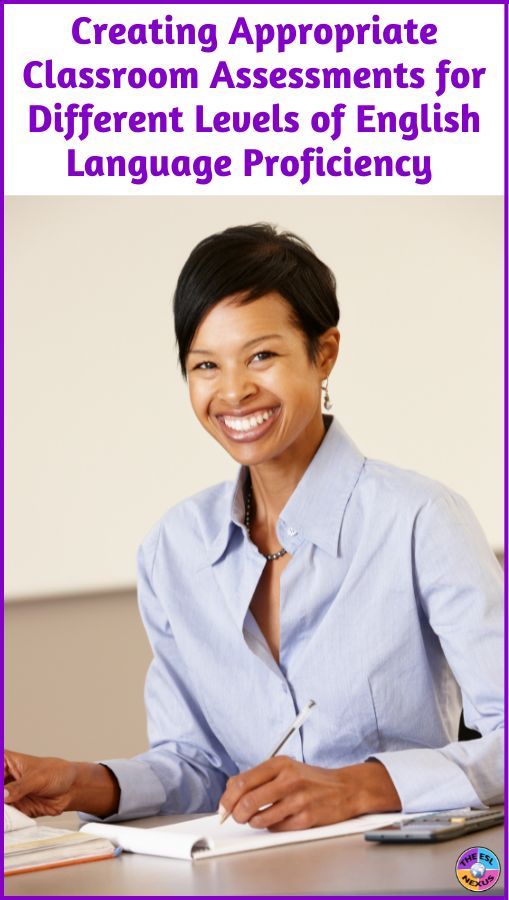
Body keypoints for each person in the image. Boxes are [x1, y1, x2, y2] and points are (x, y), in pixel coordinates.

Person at [4, 224, 503, 832]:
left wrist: (358, 787)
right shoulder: (172, 550)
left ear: (324, 354)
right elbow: (197, 767)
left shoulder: (421, 519)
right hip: (250, 876)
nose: (234, 391)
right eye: (206, 364)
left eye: (261, 356)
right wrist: (85, 782)